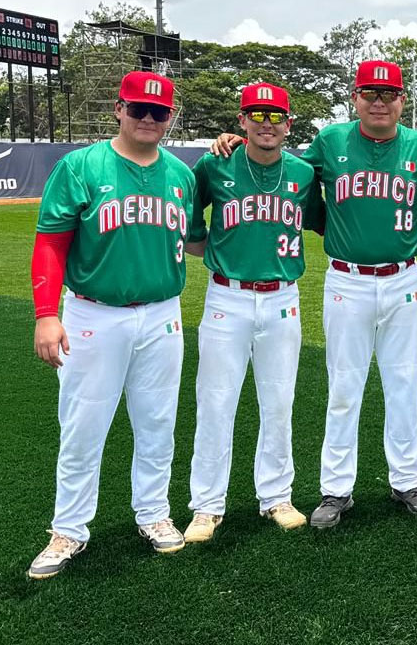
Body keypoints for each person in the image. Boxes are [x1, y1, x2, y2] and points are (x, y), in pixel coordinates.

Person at [211, 60, 417, 527]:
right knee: (344, 386)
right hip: (347, 278)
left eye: (389, 93)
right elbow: (288, 175)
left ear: (402, 101)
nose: (379, 100)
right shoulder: (330, 141)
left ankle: (407, 482)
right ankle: (337, 490)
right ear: (355, 97)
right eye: (370, 92)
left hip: (403, 278)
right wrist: (235, 143)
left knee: (404, 383)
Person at [27, 71, 196, 579]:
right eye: (138, 109)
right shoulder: (80, 166)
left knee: (158, 422)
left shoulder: (181, 175)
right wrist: (46, 313)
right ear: (118, 110)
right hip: (93, 313)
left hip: (163, 313)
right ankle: (69, 529)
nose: (148, 118)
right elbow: (51, 241)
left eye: (159, 111)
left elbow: (194, 239)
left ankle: (154, 514)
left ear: (170, 117)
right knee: (83, 426)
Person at [181, 83, 324, 543]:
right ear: (241, 121)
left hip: (283, 296)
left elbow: (322, 218)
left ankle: (277, 496)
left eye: (275, 116)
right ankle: (206, 505)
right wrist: (206, 243)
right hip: (228, 295)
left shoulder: (303, 172)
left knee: (279, 401)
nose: (266, 123)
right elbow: (187, 215)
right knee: (216, 401)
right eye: (256, 115)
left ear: (289, 124)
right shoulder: (216, 162)